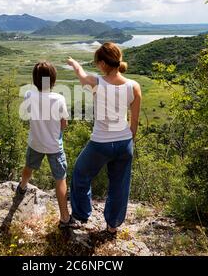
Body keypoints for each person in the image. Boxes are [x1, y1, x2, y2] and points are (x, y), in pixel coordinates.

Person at [66, 42, 142, 236]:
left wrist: (74, 63)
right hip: (125, 143)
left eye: (97, 62)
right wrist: (126, 139)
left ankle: (82, 215)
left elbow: (80, 74)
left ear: (102, 63)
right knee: (119, 185)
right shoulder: (134, 86)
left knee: (81, 174)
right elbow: (134, 122)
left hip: (100, 144)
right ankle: (112, 225)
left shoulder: (96, 82)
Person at [17, 61, 80, 229]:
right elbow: (64, 124)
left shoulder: (29, 95)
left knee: (29, 166)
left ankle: (22, 187)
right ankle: (65, 218)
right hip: (54, 146)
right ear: (52, 79)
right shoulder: (59, 98)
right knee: (60, 179)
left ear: (35, 79)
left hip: (35, 142)